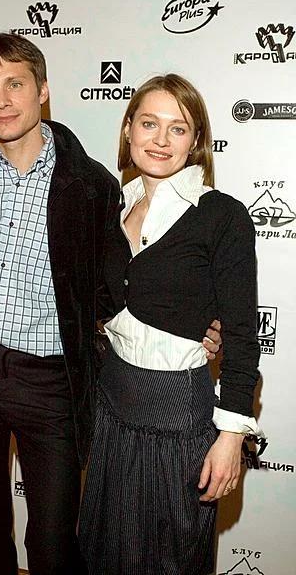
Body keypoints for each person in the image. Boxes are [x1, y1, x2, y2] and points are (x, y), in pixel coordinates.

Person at [0, 33, 221, 575]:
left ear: (43, 90)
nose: (1, 101)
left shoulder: (94, 186)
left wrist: (194, 323)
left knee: (56, 545)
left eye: (14, 84)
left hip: (54, 384)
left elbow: (121, 285)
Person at [79, 74, 263, 575]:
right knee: (105, 553)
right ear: (128, 130)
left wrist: (231, 437)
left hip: (180, 418)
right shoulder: (111, 209)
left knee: (171, 559)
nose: (161, 140)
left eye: (177, 128)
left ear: (196, 139)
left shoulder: (221, 216)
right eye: (148, 124)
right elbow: (99, 305)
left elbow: (242, 335)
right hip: (112, 412)